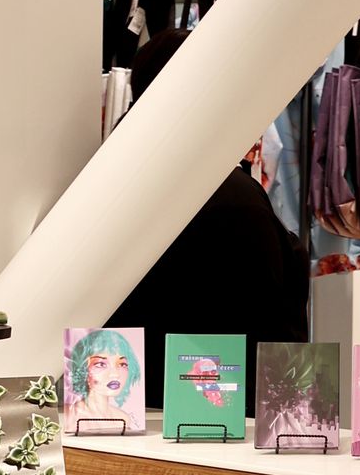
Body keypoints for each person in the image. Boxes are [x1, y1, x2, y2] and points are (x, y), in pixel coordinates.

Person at [111, 29, 310, 411]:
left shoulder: (112, 179)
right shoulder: (228, 193)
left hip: (132, 407)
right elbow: (265, 309)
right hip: (220, 410)